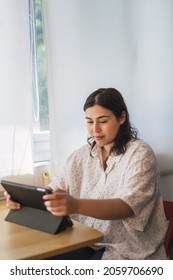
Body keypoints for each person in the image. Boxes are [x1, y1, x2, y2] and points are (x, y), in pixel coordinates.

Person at [5, 88, 168, 260]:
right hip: (84, 241)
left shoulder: (140, 155)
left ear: (122, 118)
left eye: (102, 121)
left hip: (127, 251)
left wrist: (75, 205)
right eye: (89, 121)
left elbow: (126, 206)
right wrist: (24, 199)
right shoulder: (81, 156)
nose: (95, 129)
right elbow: (54, 191)